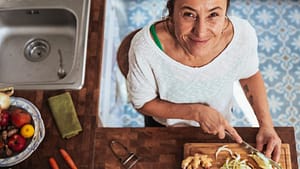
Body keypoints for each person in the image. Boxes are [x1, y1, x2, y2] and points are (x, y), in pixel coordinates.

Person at [126, 0, 281, 162]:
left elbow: (249, 75)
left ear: (225, 13)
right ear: (171, 13)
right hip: (165, 128)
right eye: (189, 14)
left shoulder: (243, 36)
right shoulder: (144, 48)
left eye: (213, 14)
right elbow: (143, 103)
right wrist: (197, 113)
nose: (201, 32)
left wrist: (266, 125)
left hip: (219, 125)